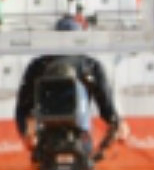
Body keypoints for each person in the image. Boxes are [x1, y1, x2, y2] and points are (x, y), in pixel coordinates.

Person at [13, 19, 129, 166]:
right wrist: (118, 124)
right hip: (80, 140)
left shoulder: (37, 66)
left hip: (46, 141)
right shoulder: (91, 65)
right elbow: (107, 109)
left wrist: (26, 132)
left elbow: (22, 109)